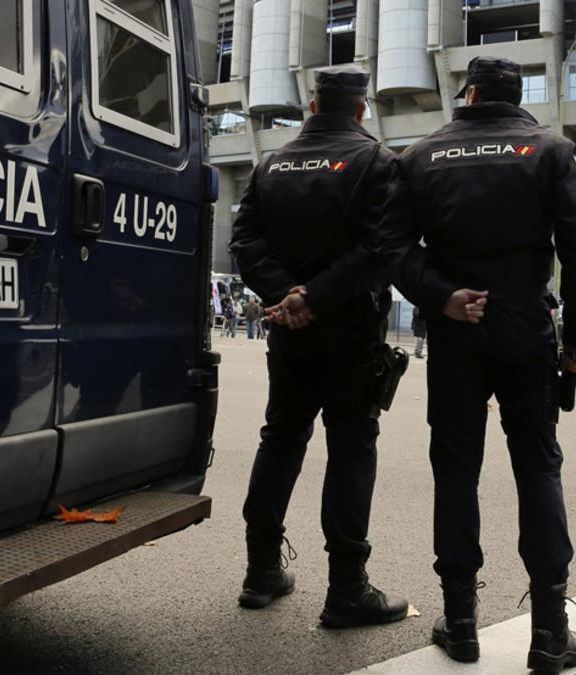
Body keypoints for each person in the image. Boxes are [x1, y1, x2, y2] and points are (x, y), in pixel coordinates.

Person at [376, 56, 576, 669]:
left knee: (455, 471)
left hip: (457, 332)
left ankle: (461, 620)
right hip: (527, 326)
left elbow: (392, 247)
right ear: (516, 96)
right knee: (538, 467)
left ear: (468, 93)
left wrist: (442, 296)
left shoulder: (420, 155)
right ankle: (550, 632)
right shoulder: (550, 151)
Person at [228, 65, 409, 628]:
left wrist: (288, 297)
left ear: (312, 106)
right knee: (352, 449)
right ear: (360, 110)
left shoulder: (271, 163)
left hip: (289, 330)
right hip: (351, 330)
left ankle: (261, 572)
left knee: (280, 439)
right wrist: (319, 296)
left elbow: (244, 243)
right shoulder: (379, 161)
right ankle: (347, 589)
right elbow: (383, 248)